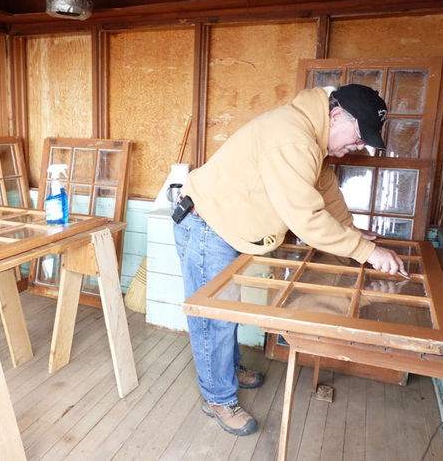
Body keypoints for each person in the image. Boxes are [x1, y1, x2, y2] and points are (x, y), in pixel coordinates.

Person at [172, 84, 407, 436]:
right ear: (336, 115)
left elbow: (326, 191)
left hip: (229, 227)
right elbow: (307, 219)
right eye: (359, 137)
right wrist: (367, 252)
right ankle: (218, 397)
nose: (359, 147)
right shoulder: (292, 136)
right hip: (208, 225)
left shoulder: (312, 138)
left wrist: (352, 233)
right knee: (215, 320)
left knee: (228, 312)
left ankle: (226, 370)